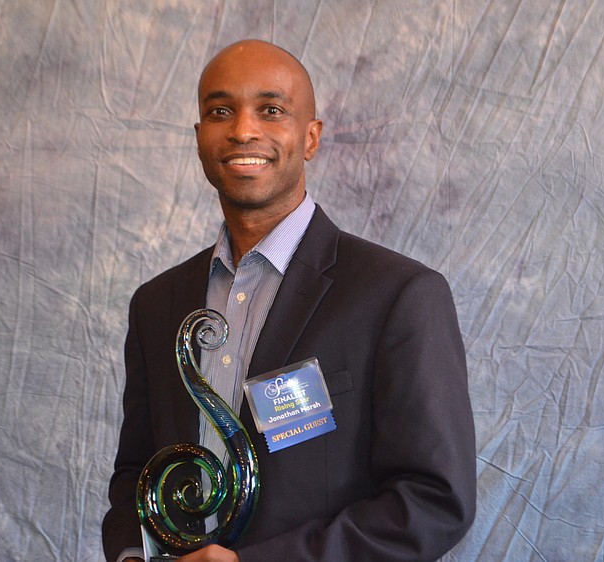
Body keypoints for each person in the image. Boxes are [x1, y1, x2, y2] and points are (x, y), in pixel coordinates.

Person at [103, 39, 476, 562]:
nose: (243, 130)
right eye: (220, 111)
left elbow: (434, 501)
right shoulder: (157, 304)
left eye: (271, 110)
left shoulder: (398, 295)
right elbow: (136, 476)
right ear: (199, 137)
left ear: (311, 138)